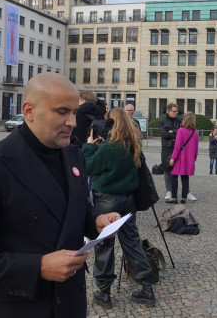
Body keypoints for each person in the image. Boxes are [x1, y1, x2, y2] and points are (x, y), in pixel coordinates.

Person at [0, 73, 120, 318]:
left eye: (74, 112)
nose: (72, 122)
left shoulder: (73, 155)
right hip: (18, 309)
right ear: (29, 111)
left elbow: (72, 207)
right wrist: (38, 267)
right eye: (62, 112)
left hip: (70, 305)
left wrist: (95, 220)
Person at [83, 107, 156, 308]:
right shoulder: (133, 144)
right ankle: (147, 286)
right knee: (131, 241)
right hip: (128, 199)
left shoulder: (110, 147)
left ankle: (104, 292)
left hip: (108, 200)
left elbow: (89, 166)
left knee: (105, 245)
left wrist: (89, 146)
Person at [168, 111, 199, 203]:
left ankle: (174, 197)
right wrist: (194, 159)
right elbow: (196, 148)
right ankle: (184, 197)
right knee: (185, 177)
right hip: (189, 159)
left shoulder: (181, 130)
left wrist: (173, 158)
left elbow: (177, 146)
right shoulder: (195, 132)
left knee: (174, 176)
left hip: (180, 158)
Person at [158, 103, 187, 200]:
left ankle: (186, 191)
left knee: (181, 169)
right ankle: (169, 190)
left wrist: (173, 131)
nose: (176, 113)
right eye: (174, 111)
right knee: (167, 169)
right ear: (168, 111)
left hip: (179, 148)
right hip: (167, 147)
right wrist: (177, 132)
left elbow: (183, 132)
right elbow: (164, 134)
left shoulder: (181, 120)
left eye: (176, 111)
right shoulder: (162, 121)